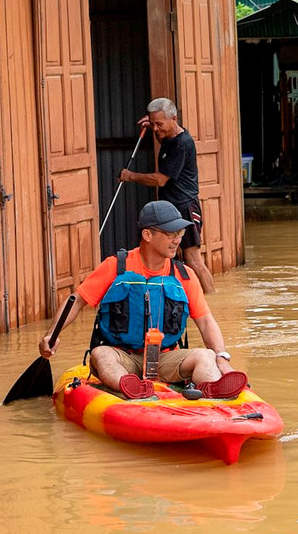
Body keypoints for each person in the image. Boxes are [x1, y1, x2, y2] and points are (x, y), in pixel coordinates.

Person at [38, 201, 244, 400]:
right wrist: (51, 336)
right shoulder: (115, 267)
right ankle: (130, 387)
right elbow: (77, 301)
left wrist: (221, 358)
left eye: (179, 234)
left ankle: (214, 393)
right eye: (171, 234)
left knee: (206, 356)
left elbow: (207, 322)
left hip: (164, 358)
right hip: (122, 357)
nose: (177, 240)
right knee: (100, 355)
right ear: (147, 235)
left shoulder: (184, 274)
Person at [117, 97, 216, 293]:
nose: (155, 129)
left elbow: (161, 180)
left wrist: (131, 176)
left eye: (159, 124)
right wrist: (153, 125)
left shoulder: (182, 144)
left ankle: (212, 300)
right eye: (152, 124)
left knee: (193, 259)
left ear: (174, 119)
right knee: (172, 257)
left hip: (185, 206)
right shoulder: (168, 138)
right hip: (170, 207)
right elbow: (160, 135)